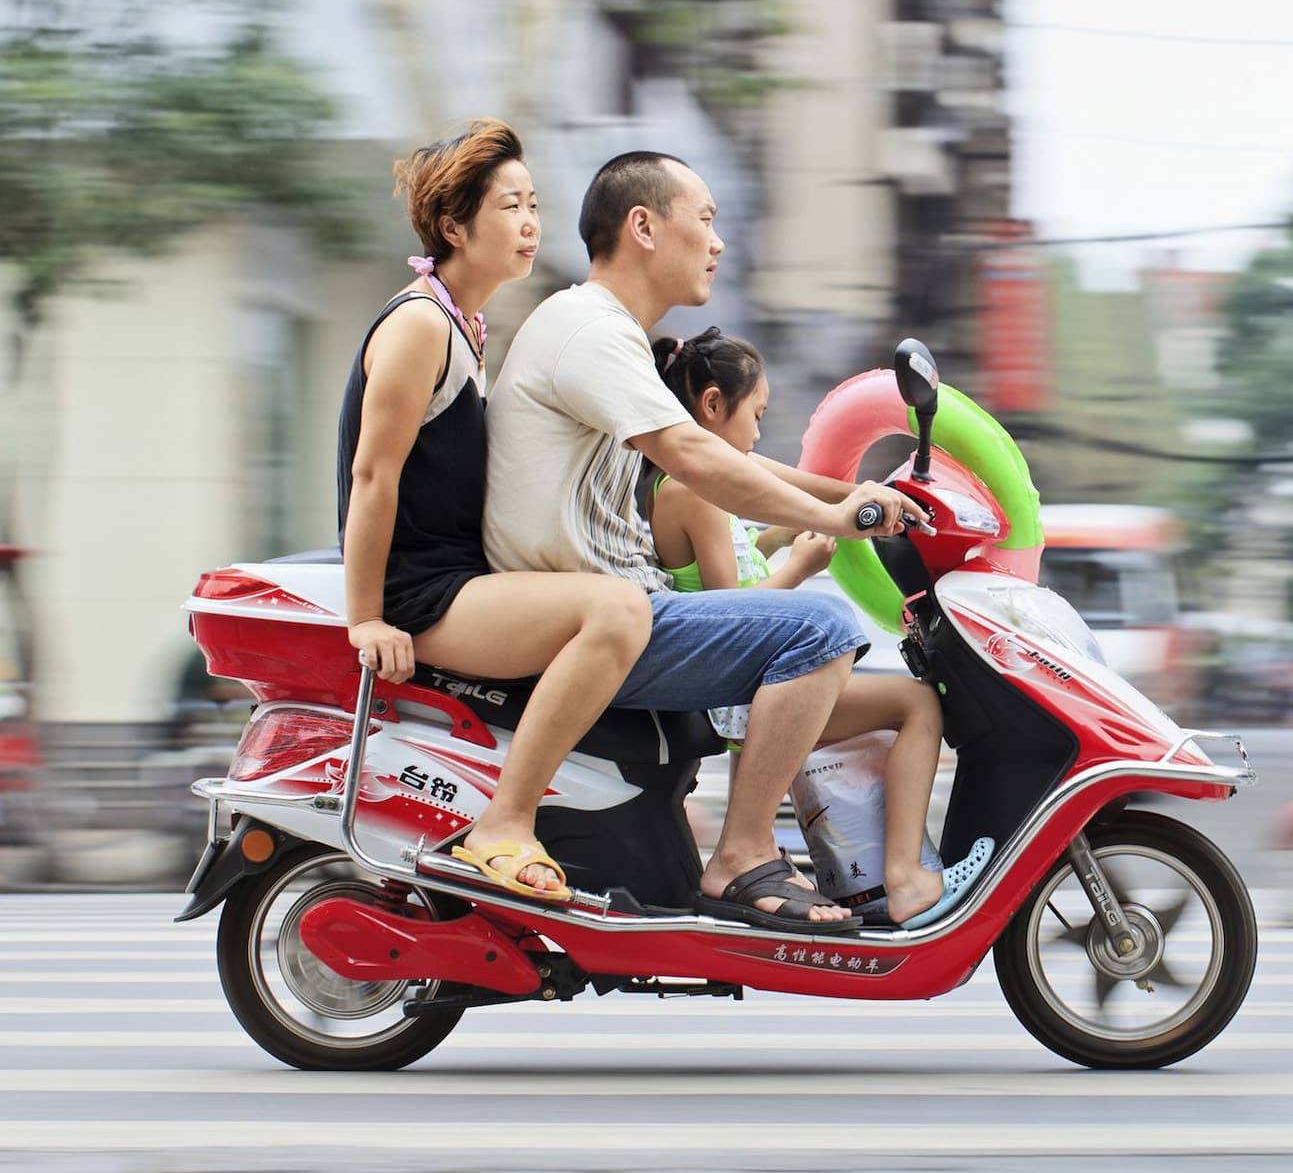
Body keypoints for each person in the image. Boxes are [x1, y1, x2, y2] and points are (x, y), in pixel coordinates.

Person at [483, 150, 912, 934]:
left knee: (809, 627)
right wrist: (837, 519)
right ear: (643, 227)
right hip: (599, 618)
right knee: (821, 629)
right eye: (705, 220)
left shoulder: (608, 334)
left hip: (616, 607)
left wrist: (853, 495)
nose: (718, 243)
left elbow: (729, 456)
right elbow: (699, 458)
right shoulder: (590, 331)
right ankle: (743, 853)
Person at [339, 119, 657, 903]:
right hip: (427, 592)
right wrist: (367, 619)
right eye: (510, 206)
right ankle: (503, 824)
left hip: (459, 576)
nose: (529, 224)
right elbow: (372, 476)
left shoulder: (465, 326)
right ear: (454, 226)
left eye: (533, 204)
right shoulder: (419, 325)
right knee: (615, 613)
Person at [644, 325, 988, 926]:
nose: (757, 433)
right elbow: (733, 618)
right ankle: (905, 878)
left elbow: (791, 496)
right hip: (739, 691)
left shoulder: (708, 477)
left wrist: (857, 506)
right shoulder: (692, 489)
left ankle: (877, 874)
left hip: (747, 679)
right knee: (917, 706)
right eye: (756, 414)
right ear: (713, 406)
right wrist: (800, 566)